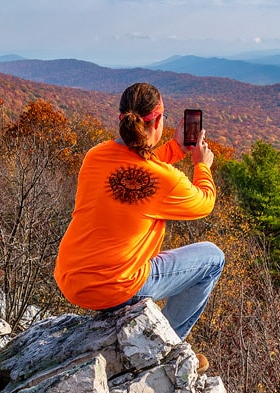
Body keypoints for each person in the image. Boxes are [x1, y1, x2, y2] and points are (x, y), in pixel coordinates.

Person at [54, 82, 223, 372]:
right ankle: (167, 346)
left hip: (72, 280)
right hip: (117, 286)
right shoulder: (165, 179)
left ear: (121, 120)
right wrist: (201, 165)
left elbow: (133, 168)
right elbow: (205, 203)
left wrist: (174, 149)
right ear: (157, 122)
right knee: (212, 258)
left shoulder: (95, 157)